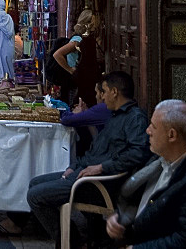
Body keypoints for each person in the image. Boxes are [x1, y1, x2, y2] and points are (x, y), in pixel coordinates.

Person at [26, 71, 151, 245]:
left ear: (114, 92)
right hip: (86, 173)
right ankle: (69, 238)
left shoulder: (135, 118)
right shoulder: (114, 115)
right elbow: (95, 151)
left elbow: (138, 154)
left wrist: (102, 168)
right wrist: (75, 165)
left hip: (99, 184)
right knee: (34, 183)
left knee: (35, 195)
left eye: (104, 92)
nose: (102, 97)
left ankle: (71, 241)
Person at [106, 100, 186, 248]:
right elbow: (139, 201)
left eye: (153, 126)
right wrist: (119, 219)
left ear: (171, 135)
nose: (148, 130)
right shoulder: (159, 158)